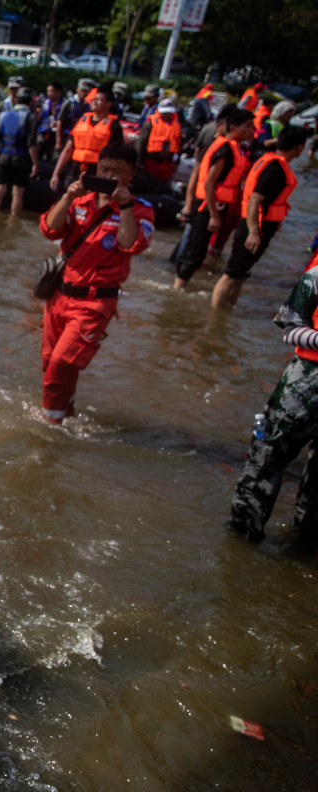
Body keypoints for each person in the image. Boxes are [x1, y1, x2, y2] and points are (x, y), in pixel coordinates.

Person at [38, 143, 154, 423]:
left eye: (117, 171)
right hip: (59, 296)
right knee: (49, 361)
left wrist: (124, 205)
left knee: (62, 362)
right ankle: (66, 414)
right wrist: (67, 197)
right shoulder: (80, 201)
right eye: (104, 169)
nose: (109, 176)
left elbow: (130, 245)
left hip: (95, 303)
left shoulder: (140, 210)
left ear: (132, 174)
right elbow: (50, 229)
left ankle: (49, 428)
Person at [226, 262, 318, 543]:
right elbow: (289, 326)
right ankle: (242, 534)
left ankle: (304, 541)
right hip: (304, 382)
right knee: (266, 455)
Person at [207, 127, 307, 309]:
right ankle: (213, 320)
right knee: (231, 274)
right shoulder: (275, 168)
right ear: (299, 147)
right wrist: (253, 232)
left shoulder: (270, 160)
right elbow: (254, 200)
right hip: (253, 228)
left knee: (240, 275)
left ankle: (225, 315)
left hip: (258, 227)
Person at [174, 107, 255, 291]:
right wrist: (213, 215)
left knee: (195, 250)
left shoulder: (233, 148)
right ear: (233, 127)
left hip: (211, 206)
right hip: (206, 207)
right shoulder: (225, 149)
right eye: (248, 126)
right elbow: (209, 182)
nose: (251, 131)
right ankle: (178, 289)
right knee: (196, 252)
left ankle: (179, 286)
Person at [51, 88, 124, 191]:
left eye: (98, 99)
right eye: (93, 99)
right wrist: (56, 173)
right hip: (75, 171)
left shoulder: (114, 127)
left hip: (97, 173)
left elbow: (118, 156)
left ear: (108, 104)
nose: (94, 102)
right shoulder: (81, 121)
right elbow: (68, 149)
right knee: (67, 200)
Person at [0, 87, 38, 215]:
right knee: (17, 193)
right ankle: (13, 223)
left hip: (4, 157)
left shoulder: (3, 115)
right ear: (30, 103)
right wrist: (35, 163)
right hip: (21, 159)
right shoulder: (30, 118)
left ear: (16, 100)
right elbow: (31, 144)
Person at [134, 98, 183, 190]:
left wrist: (177, 162)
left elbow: (179, 143)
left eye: (168, 112)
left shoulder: (176, 124)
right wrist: (139, 162)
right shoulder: (150, 123)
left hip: (168, 164)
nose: (166, 114)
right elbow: (140, 144)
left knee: (163, 188)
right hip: (151, 163)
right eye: (164, 112)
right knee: (148, 186)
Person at [54, 78, 95, 159]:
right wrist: (58, 141)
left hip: (78, 139)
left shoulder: (88, 106)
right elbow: (59, 121)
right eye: (82, 90)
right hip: (65, 136)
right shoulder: (69, 103)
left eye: (86, 90)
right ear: (77, 89)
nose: (83, 92)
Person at [0, 75, 24, 152]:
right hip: (5, 142)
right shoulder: (3, 104)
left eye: (16, 88)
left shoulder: (26, 104)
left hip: (20, 142)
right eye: (11, 88)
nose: (13, 91)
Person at [37, 81, 65, 161]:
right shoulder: (44, 103)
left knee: (54, 158)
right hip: (43, 133)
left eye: (51, 91)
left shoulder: (64, 104)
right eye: (48, 91)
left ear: (58, 92)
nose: (49, 93)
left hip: (56, 135)